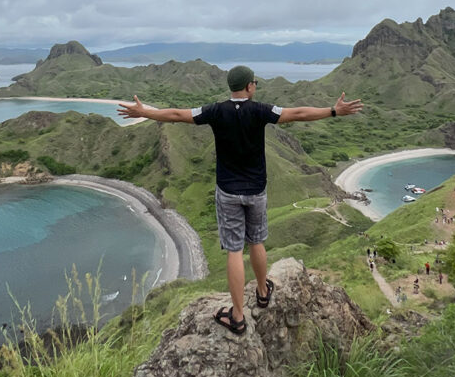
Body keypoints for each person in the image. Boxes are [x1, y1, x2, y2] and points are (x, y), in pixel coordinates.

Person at [118, 66, 363, 335]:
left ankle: (237, 316)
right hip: (256, 190)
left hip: (228, 191)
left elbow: (176, 115)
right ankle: (261, 292)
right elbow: (298, 114)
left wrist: (144, 112)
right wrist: (333, 111)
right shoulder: (260, 111)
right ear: (249, 87)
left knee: (234, 250)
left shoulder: (214, 110)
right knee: (256, 240)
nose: (255, 86)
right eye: (254, 83)